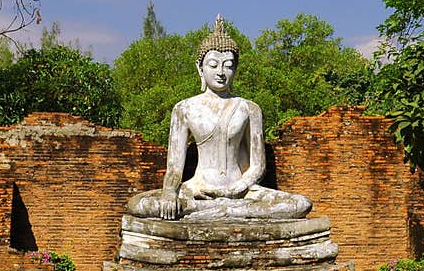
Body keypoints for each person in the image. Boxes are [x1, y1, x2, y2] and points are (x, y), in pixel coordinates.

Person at [126, 15, 312, 221]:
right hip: (198, 189)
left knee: (300, 204)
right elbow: (174, 167)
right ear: (200, 68)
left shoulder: (249, 108)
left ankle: (223, 211)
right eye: (213, 65)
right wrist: (170, 193)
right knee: (140, 204)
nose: (221, 72)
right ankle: (225, 212)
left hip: (241, 192)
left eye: (228, 65)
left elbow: (258, 166)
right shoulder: (185, 108)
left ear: (236, 69)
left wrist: (235, 189)